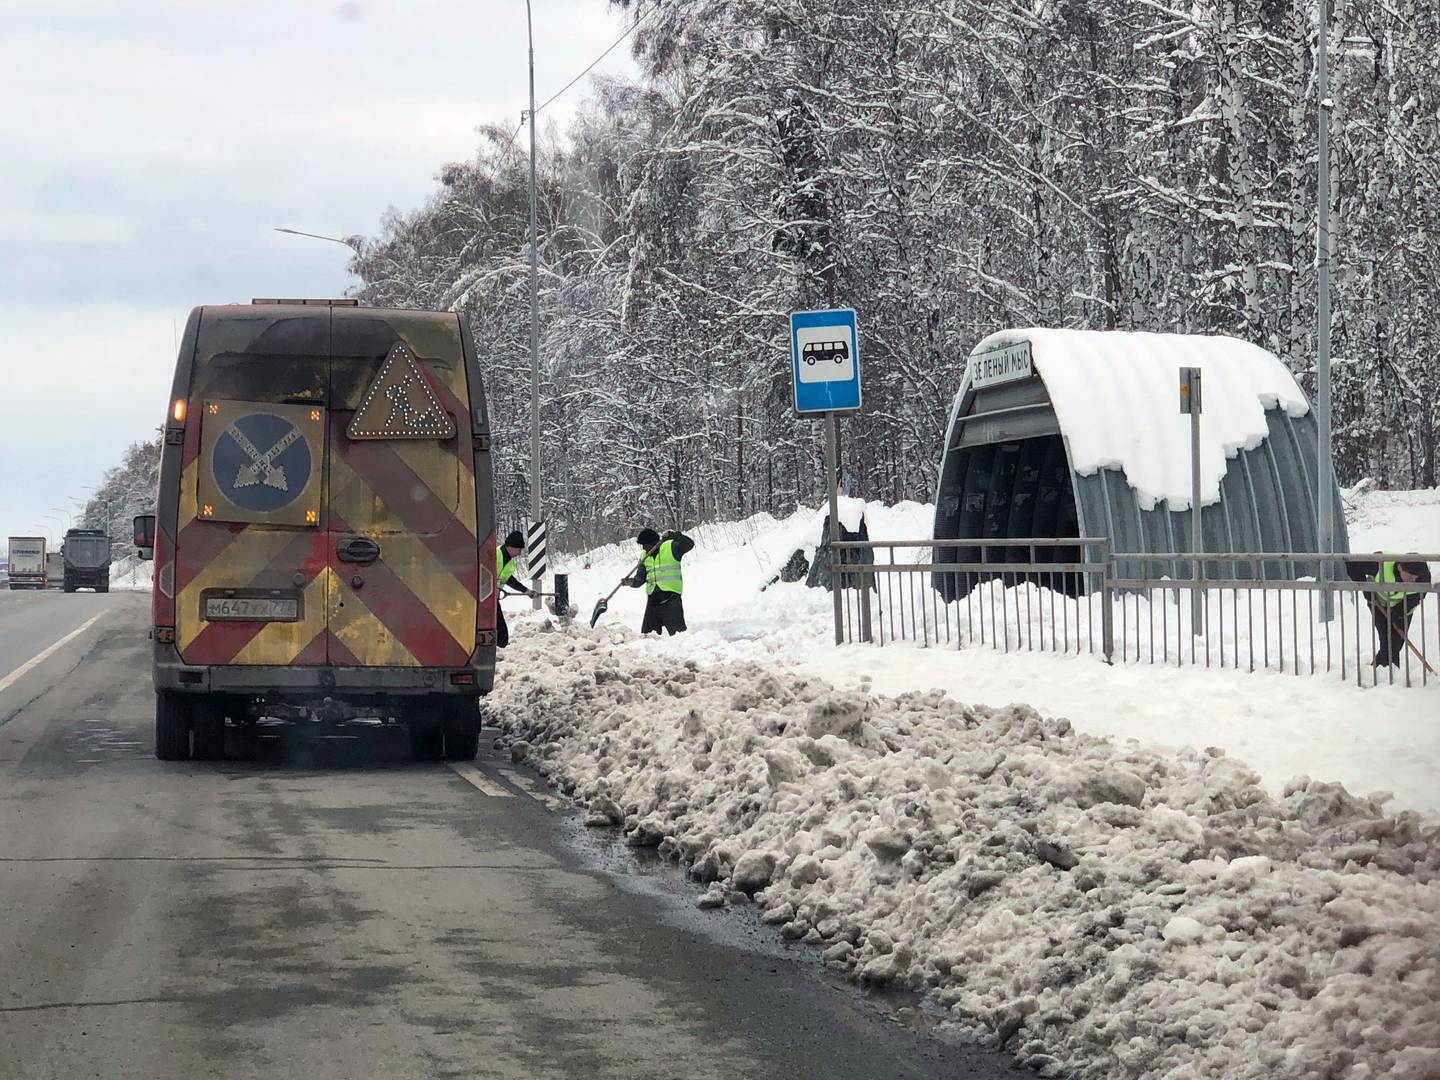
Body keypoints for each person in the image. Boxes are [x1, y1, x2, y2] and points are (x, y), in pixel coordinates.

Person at [1346, 555, 1431, 667]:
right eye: (1410, 576)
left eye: (1415, 577)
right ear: (1400, 567)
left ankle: (1378, 671)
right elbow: (1351, 565)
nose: (1413, 580)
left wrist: (1399, 612)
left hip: (1404, 608)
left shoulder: (1422, 575)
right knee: (1386, 640)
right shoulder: (1380, 565)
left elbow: (1418, 595)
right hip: (1378, 604)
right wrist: (1366, 588)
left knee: (1396, 643)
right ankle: (1389, 675)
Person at [626, 526, 694, 636]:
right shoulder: (644, 556)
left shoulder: (671, 547)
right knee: (647, 636)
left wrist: (675, 536)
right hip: (653, 599)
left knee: (679, 636)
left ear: (653, 543)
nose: (644, 548)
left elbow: (689, 544)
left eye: (645, 545)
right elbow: (640, 579)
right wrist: (630, 582)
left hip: (671, 597)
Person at [495, 530, 533, 648]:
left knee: (502, 636)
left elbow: (509, 579)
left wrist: (525, 591)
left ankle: (498, 648)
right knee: (499, 633)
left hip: (492, 600)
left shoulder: (510, 562)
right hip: (483, 598)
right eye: (519, 549)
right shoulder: (495, 555)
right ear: (510, 547)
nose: (520, 553)